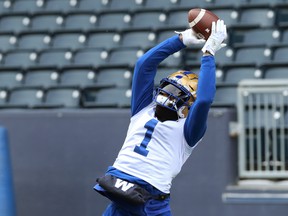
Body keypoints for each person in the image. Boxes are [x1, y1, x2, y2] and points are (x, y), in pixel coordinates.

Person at [94, 19, 227, 216]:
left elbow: (205, 99)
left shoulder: (188, 130)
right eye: (168, 89)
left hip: (148, 200)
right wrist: (181, 39)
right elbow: (143, 65)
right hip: (123, 193)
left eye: (178, 93)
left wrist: (209, 54)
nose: (168, 95)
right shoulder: (145, 107)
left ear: (188, 106)